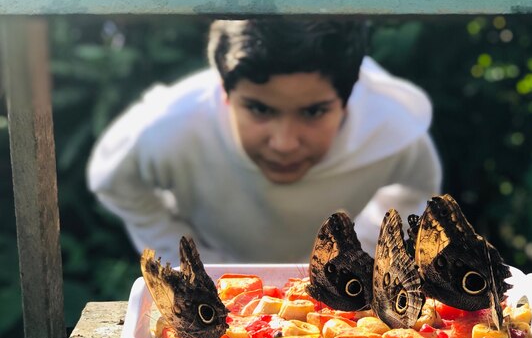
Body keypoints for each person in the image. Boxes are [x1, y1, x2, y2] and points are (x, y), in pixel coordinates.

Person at [87, 18, 442, 265]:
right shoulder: (170, 128)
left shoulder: (392, 126)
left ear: (348, 99)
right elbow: (114, 181)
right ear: (224, 93)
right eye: (259, 108)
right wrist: (193, 260)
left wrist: (359, 254)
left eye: (314, 112)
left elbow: (419, 185)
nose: (284, 143)